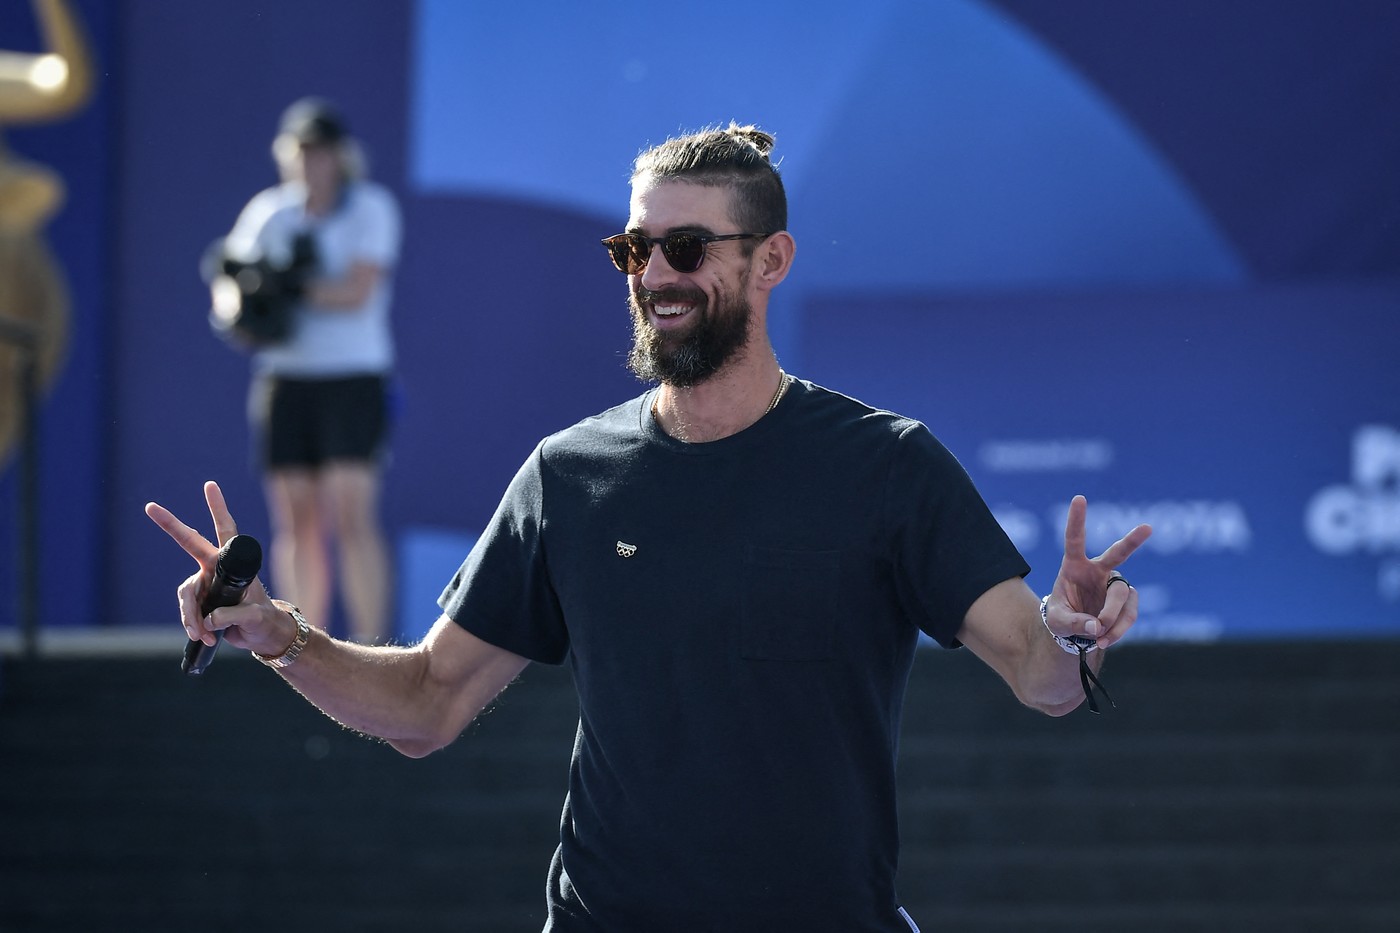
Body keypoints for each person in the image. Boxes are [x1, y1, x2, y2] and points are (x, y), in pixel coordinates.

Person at [148, 123, 1151, 932]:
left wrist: (1070, 633)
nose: (653, 274)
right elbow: (426, 703)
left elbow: (1040, 676)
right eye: (634, 248)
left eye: (686, 248)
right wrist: (279, 634)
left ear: (771, 260)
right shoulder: (569, 473)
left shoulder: (885, 464)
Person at [212, 97, 402, 644]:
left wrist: (285, 286)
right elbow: (230, 283)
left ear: (340, 155)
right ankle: (304, 646)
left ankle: (371, 650)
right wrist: (242, 311)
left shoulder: (371, 208)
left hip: (352, 378)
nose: (309, 161)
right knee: (297, 519)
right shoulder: (268, 212)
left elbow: (356, 290)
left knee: (350, 513)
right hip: (285, 379)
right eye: (300, 150)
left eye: (319, 150)